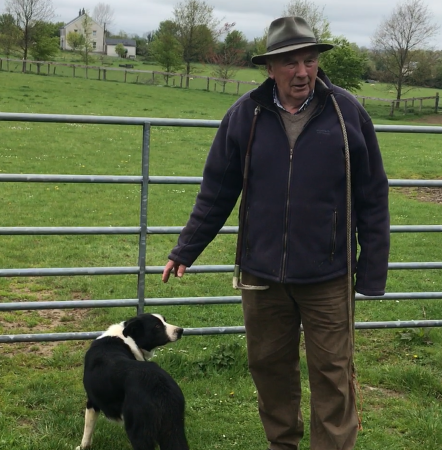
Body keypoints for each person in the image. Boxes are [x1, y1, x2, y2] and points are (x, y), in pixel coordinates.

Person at [162, 16, 390, 450]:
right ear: (270, 68)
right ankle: (281, 444)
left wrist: (372, 269)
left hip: (328, 275)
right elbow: (217, 189)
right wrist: (186, 248)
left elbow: (373, 195)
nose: (302, 72)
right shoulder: (244, 116)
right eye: (290, 63)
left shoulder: (346, 115)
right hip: (261, 275)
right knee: (269, 368)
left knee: (333, 375)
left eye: (309, 61)